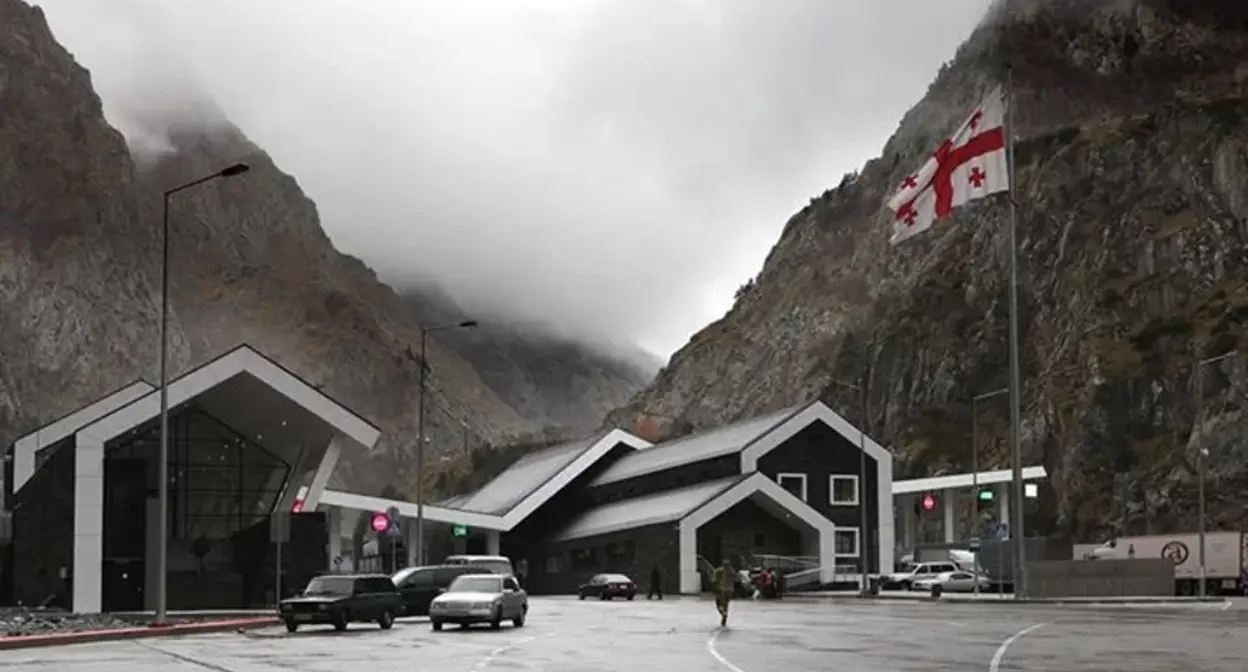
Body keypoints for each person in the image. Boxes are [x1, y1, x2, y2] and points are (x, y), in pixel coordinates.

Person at [710, 560, 737, 626]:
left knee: (718, 603)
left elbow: (714, 580)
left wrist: (713, 588)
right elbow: (736, 580)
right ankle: (724, 617)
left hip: (721, 589)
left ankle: (723, 613)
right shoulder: (732, 572)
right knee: (726, 604)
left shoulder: (719, 571)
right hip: (730, 590)